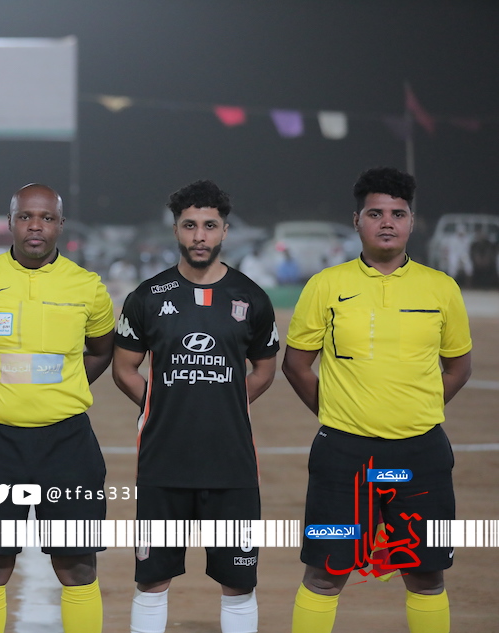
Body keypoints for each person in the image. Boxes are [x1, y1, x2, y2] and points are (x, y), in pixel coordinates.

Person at [283, 167, 472, 633]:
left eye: (398, 214)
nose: (387, 222)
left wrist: (418, 408)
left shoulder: (441, 288)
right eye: (375, 213)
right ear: (357, 221)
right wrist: (339, 413)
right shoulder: (326, 285)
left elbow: (458, 367)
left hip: (421, 453)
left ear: (412, 222)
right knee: (325, 574)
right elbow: (296, 364)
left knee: (426, 576)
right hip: (344, 456)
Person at [0, 183, 115, 633]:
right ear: (10, 222)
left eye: (46, 218)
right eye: (25, 216)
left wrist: (65, 389)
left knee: (78, 565)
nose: (35, 226)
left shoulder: (87, 287)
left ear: (60, 225)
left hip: (68, 442)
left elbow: (101, 351)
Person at [112, 180, 279, 633]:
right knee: (152, 580)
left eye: (209, 225)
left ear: (224, 231)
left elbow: (265, 368)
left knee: (239, 583)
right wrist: (162, 403)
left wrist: (225, 401)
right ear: (176, 230)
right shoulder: (147, 297)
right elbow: (124, 368)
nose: (199, 236)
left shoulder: (251, 297)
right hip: (163, 464)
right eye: (190, 226)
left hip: (232, 467)